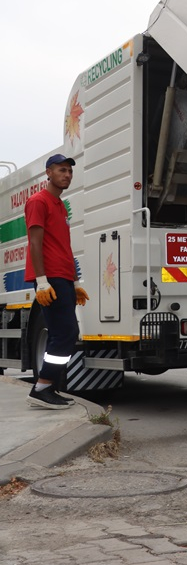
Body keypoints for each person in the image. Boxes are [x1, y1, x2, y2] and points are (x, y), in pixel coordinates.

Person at [24, 154, 89, 409]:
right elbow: (35, 243)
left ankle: (48, 387)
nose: (67, 175)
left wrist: (75, 282)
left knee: (65, 333)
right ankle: (42, 388)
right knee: (65, 333)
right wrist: (41, 281)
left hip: (63, 278)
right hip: (50, 278)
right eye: (62, 170)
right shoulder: (38, 201)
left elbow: (65, 247)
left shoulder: (61, 206)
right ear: (48, 173)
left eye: (70, 171)